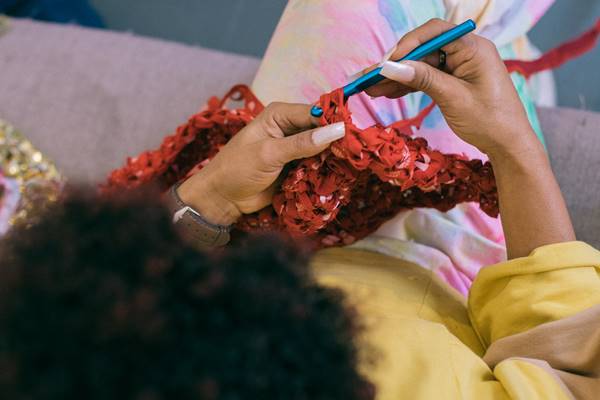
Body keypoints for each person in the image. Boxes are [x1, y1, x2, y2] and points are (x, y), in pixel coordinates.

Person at [1, 10, 599, 400]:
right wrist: (513, 146)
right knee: (470, 32)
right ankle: (514, 54)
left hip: (293, 212)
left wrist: (209, 200)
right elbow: (564, 341)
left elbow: (108, 307)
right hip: (474, 272)